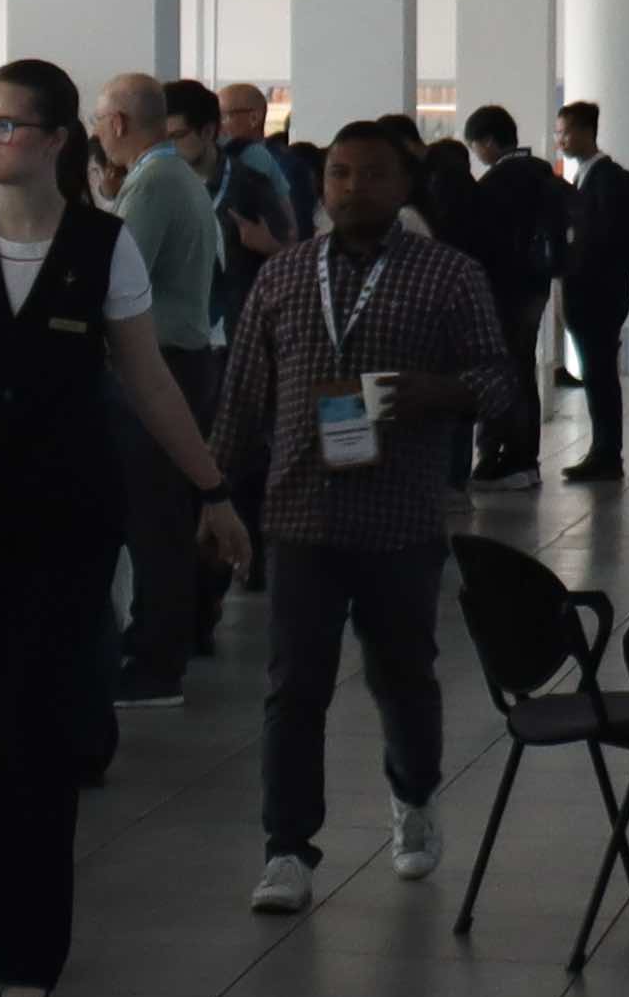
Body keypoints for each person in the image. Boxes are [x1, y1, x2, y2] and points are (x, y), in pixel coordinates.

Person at [0, 61, 247, 997]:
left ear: (57, 140)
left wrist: (211, 487)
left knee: (42, 725)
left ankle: (32, 948)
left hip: (66, 515)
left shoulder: (103, 245)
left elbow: (149, 380)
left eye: (5, 126)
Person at [212, 113, 522, 915]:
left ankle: (414, 797)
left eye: (375, 174)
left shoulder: (447, 275)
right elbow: (242, 396)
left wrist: (440, 392)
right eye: (341, 174)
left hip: (400, 517)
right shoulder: (284, 276)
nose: (355, 188)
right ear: (322, 186)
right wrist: (211, 493)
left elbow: (498, 380)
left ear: (404, 184)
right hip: (300, 514)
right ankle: (287, 848)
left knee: (403, 675)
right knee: (294, 687)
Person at [105, 75, 235, 700]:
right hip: (182, 359)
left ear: (118, 124)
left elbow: (116, 272)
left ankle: (156, 661)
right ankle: (176, 635)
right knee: (166, 514)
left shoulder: (155, 181)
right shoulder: (173, 175)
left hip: (162, 365)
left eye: (100, 120)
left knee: (154, 520)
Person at [447, 105, 567, 479]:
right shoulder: (541, 173)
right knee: (522, 367)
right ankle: (524, 456)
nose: (476, 155)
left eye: (474, 146)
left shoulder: (498, 183)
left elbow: (486, 242)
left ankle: (509, 457)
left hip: (505, 290)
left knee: (505, 370)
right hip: (536, 286)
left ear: (487, 142)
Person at [550, 99, 629, 488]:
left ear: (586, 132)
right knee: (598, 373)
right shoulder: (591, 177)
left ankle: (606, 453)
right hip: (598, 291)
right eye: (558, 132)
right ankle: (603, 451)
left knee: (600, 374)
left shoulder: (606, 181)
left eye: (565, 131)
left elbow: (600, 241)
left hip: (597, 293)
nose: (560, 139)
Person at [220, 80, 317, 248]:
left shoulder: (288, 167)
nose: (218, 126)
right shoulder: (224, 162)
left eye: (224, 116)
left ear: (254, 118)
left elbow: (297, 233)